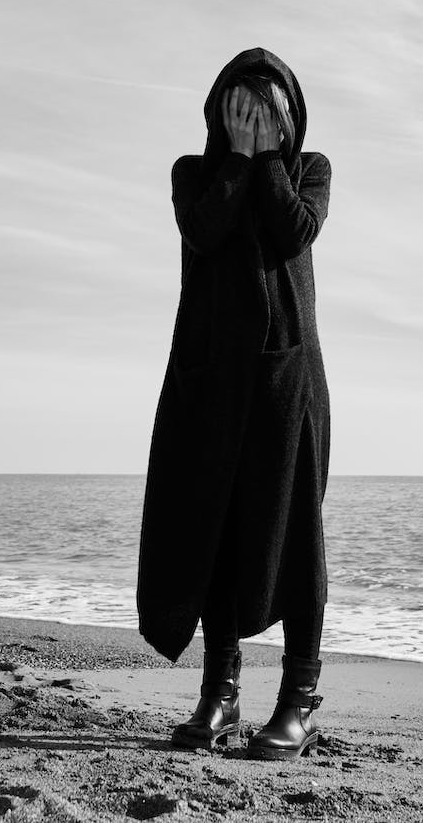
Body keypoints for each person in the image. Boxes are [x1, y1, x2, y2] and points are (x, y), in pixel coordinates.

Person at [136, 48, 334, 761]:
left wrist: (269, 159)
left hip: (288, 383)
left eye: (265, 110)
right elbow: (205, 230)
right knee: (210, 528)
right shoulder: (194, 173)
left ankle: (299, 701)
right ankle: (220, 691)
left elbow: (293, 232)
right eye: (238, 108)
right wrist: (239, 160)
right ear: (218, 111)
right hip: (206, 381)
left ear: (288, 116)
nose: (249, 121)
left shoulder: (312, 172)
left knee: (297, 535)